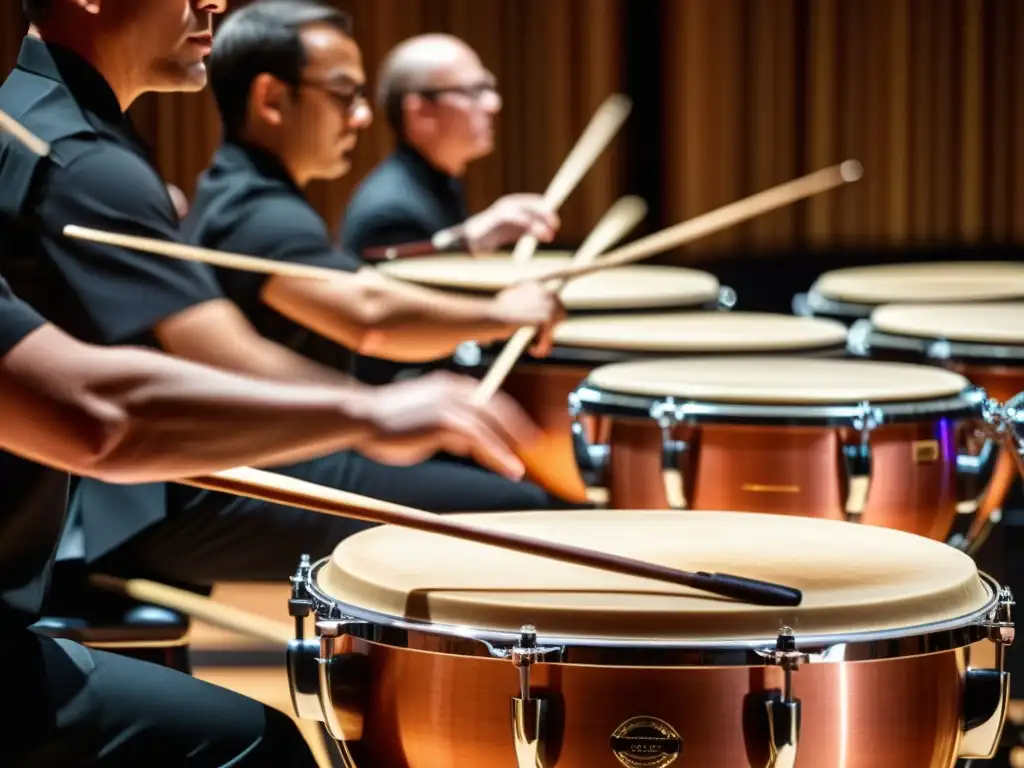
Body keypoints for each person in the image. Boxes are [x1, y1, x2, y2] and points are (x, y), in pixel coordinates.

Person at [0, 0, 564, 591]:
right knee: (524, 522)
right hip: (151, 497)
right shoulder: (87, 162)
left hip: (115, 495)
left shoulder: (30, 119)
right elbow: (271, 344)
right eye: (343, 95)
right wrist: (375, 411)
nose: (213, 1)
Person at [0, 269, 542, 765]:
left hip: (105, 519)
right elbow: (100, 417)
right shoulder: (97, 174)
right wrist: (371, 411)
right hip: (138, 508)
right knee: (263, 748)